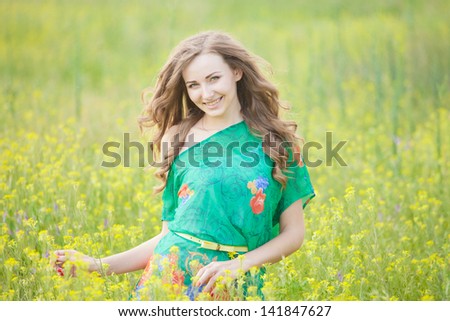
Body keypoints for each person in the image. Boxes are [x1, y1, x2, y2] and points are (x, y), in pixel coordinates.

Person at [53, 31, 315, 300]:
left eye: (214, 79)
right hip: (168, 278)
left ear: (236, 72)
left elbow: (293, 234)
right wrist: (98, 266)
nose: (206, 93)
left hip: (232, 284)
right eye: (194, 85)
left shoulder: (277, 142)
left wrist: (239, 265)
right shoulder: (178, 138)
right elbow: (171, 236)